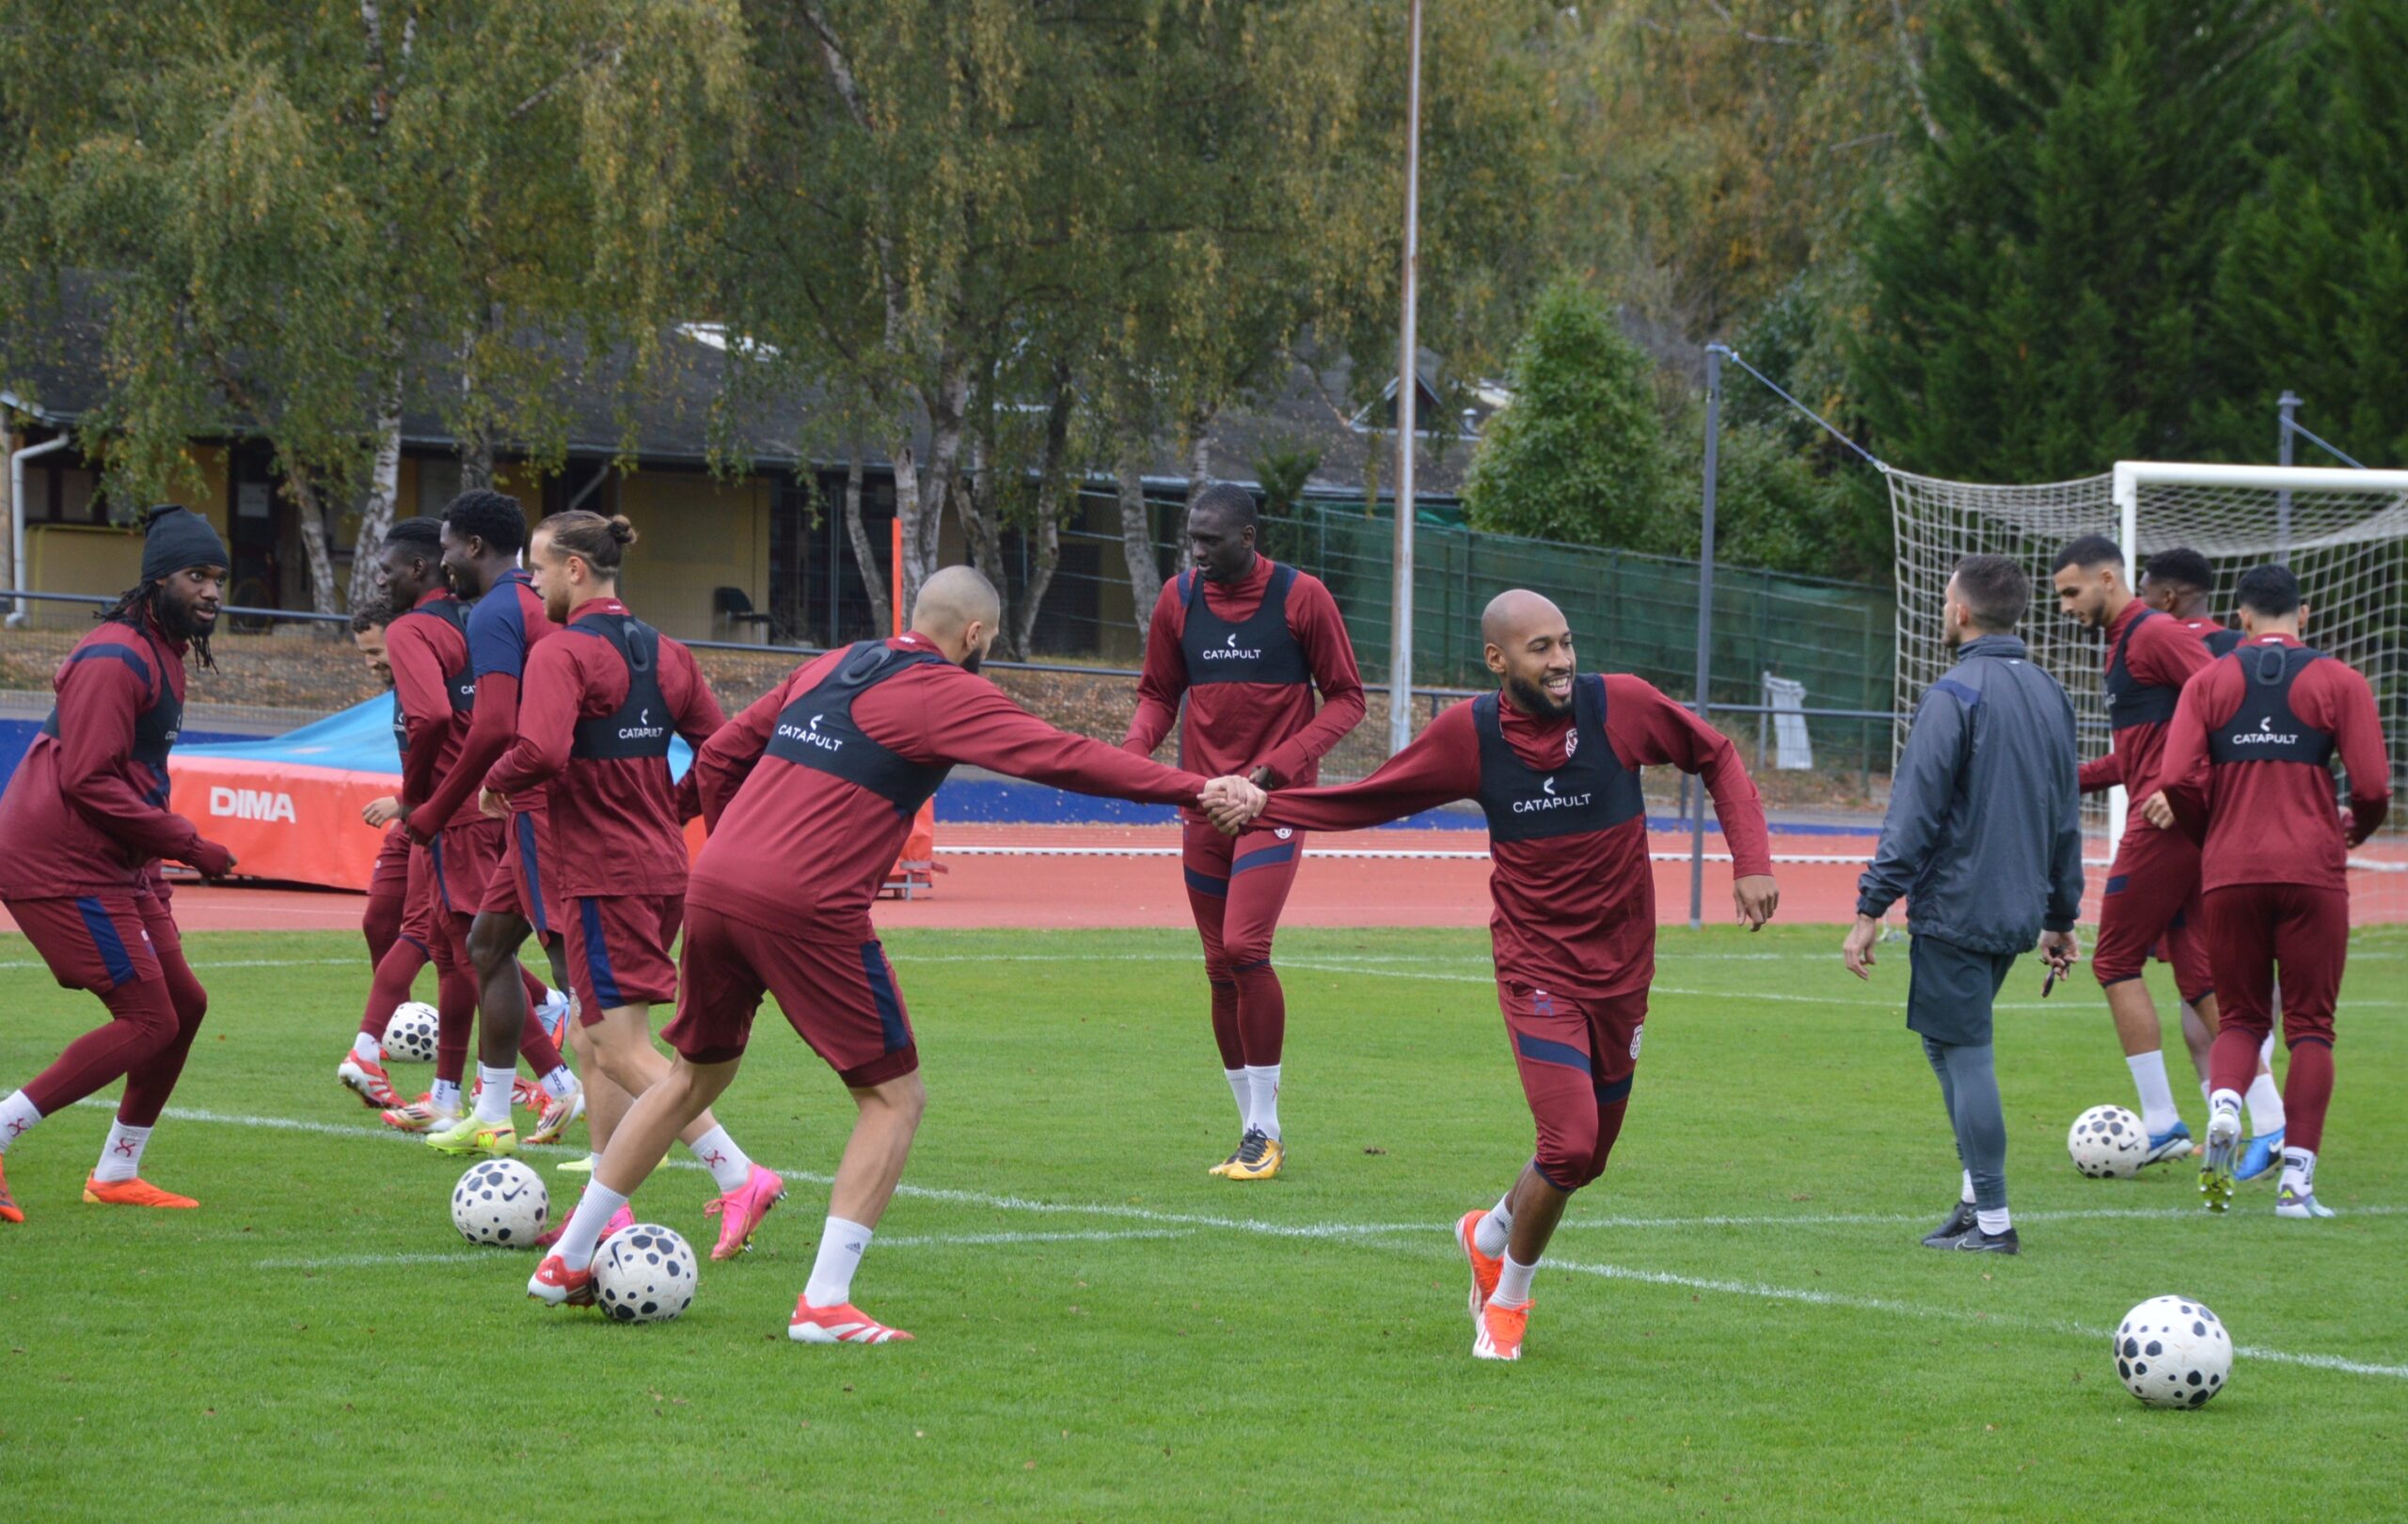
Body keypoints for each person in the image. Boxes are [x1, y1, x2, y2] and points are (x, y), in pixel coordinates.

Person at [528, 566, 1261, 1343]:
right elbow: (1064, 757)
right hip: (806, 904)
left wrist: (739, 838)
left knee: (687, 1080)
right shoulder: (947, 691)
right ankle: (824, 1303)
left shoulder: (831, 663)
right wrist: (1198, 789)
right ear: (975, 636)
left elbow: (720, 756)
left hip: (714, 886)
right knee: (894, 1100)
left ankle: (567, 1261)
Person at [1214, 590, 1778, 1362]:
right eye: (1541, 648)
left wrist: (1751, 860)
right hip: (1536, 968)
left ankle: (1488, 1233)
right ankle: (1508, 1299)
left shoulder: (1621, 707)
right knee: (1569, 1144)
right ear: (1497, 660)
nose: (1562, 661)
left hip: (1624, 971)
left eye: (1566, 642)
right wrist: (1263, 801)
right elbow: (1370, 799)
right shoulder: (1471, 735)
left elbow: (1717, 754)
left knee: (1589, 1158)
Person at [477, 510, 784, 1261]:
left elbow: (541, 751)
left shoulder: (562, 651)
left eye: (538, 569)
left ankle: (739, 1173)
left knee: (616, 1048)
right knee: (590, 1035)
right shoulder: (668, 651)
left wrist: (495, 782)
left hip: (602, 874)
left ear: (575, 570)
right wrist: (669, 809)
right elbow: (721, 750)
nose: (531, 583)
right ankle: (606, 1209)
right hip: (660, 867)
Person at [1124, 483, 1365, 1181]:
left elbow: (1347, 699)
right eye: (1191, 540)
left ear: (1248, 538)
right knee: (1216, 965)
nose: (1197, 552)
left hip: (1274, 805)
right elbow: (1158, 693)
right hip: (1204, 805)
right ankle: (1249, 1131)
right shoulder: (1178, 599)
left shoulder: (1301, 598)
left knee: (1244, 947)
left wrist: (1270, 773)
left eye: (1210, 541)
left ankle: (1267, 1129)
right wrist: (1131, 755)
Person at [0, 507, 235, 1222]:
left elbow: (132, 776)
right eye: (197, 575)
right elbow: (88, 779)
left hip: (114, 861)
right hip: (61, 861)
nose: (212, 591)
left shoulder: (165, 651)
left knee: (184, 1006)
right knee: (147, 1018)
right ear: (158, 579)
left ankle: (117, 1170)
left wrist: (152, 862)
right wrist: (185, 842)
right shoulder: (115, 656)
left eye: (219, 578)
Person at [1846, 554, 2082, 1259]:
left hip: (1959, 906)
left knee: (1967, 1052)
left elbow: (1914, 813)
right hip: (2016, 909)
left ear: (1960, 611)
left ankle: (1995, 1224)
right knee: (1945, 1042)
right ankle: (1975, 1200)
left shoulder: (1954, 694)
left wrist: (1870, 907)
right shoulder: (2049, 692)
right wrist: (2060, 915)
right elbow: (2066, 816)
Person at [2147, 564, 2391, 1218]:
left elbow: (2176, 778)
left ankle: (2226, 1106)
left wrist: (2213, 834)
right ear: (2303, 615)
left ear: (2243, 618)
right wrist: (2351, 831)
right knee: (2310, 1026)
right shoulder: (2341, 681)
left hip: (2231, 872)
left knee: (2242, 1019)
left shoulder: (2208, 681)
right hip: (2313, 871)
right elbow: (2373, 787)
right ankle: (2296, 1187)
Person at [366, 517, 578, 1143]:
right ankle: (464, 1101)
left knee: (554, 963)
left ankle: (573, 1088)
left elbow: (475, 724)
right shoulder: (504, 615)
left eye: (449, 547)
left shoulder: (483, 614)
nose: (446, 558)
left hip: (485, 809)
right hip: (495, 804)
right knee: (471, 948)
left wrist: (422, 803)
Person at [2049, 534, 2216, 1165]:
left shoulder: (2154, 634)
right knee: (2199, 975)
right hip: (2172, 822)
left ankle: (2163, 1121)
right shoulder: (2122, 646)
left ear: (2107, 579)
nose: (2065, 606)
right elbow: (2135, 758)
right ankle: (2263, 1119)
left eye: (2072, 591)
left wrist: (2188, 786)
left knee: (2115, 958)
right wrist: (2061, 778)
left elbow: (2228, 702)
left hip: (2165, 826)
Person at [2131, 546, 2286, 1172]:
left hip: (2205, 838)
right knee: (2211, 988)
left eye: (2143, 588)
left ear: (2167, 596)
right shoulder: (2238, 652)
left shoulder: (2161, 645)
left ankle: (2263, 1122)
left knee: (2212, 989)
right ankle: (2243, 1125)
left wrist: (2181, 790)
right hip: (2238, 838)